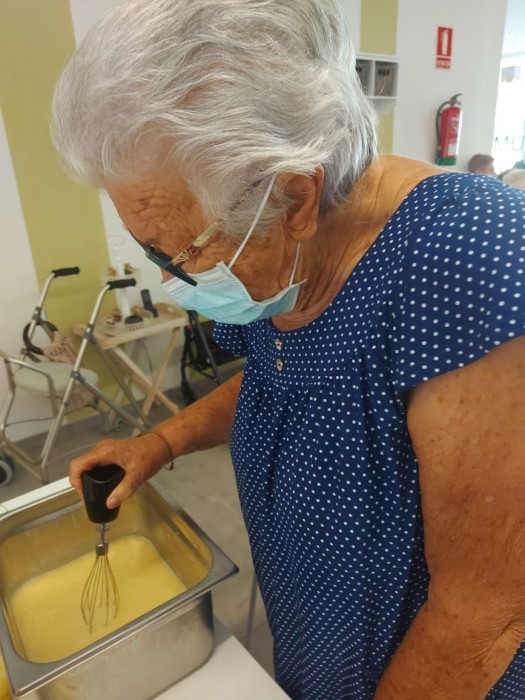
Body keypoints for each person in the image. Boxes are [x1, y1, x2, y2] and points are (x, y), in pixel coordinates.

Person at [51, 1, 525, 698]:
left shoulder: (468, 256)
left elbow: (481, 613)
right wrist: (161, 442)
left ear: (296, 199)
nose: (171, 279)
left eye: (180, 253)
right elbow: (283, 382)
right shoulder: (287, 262)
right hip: (317, 638)